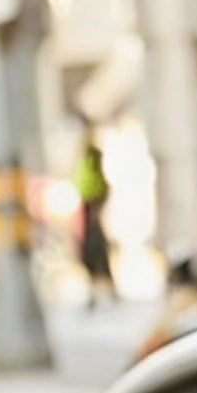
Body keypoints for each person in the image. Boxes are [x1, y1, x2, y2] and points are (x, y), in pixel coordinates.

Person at [73, 124, 115, 309]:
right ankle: (95, 290)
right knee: (88, 249)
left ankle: (106, 289)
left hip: (93, 201)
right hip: (86, 202)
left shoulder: (93, 155)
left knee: (95, 247)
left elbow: (99, 180)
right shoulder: (84, 156)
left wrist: (99, 200)